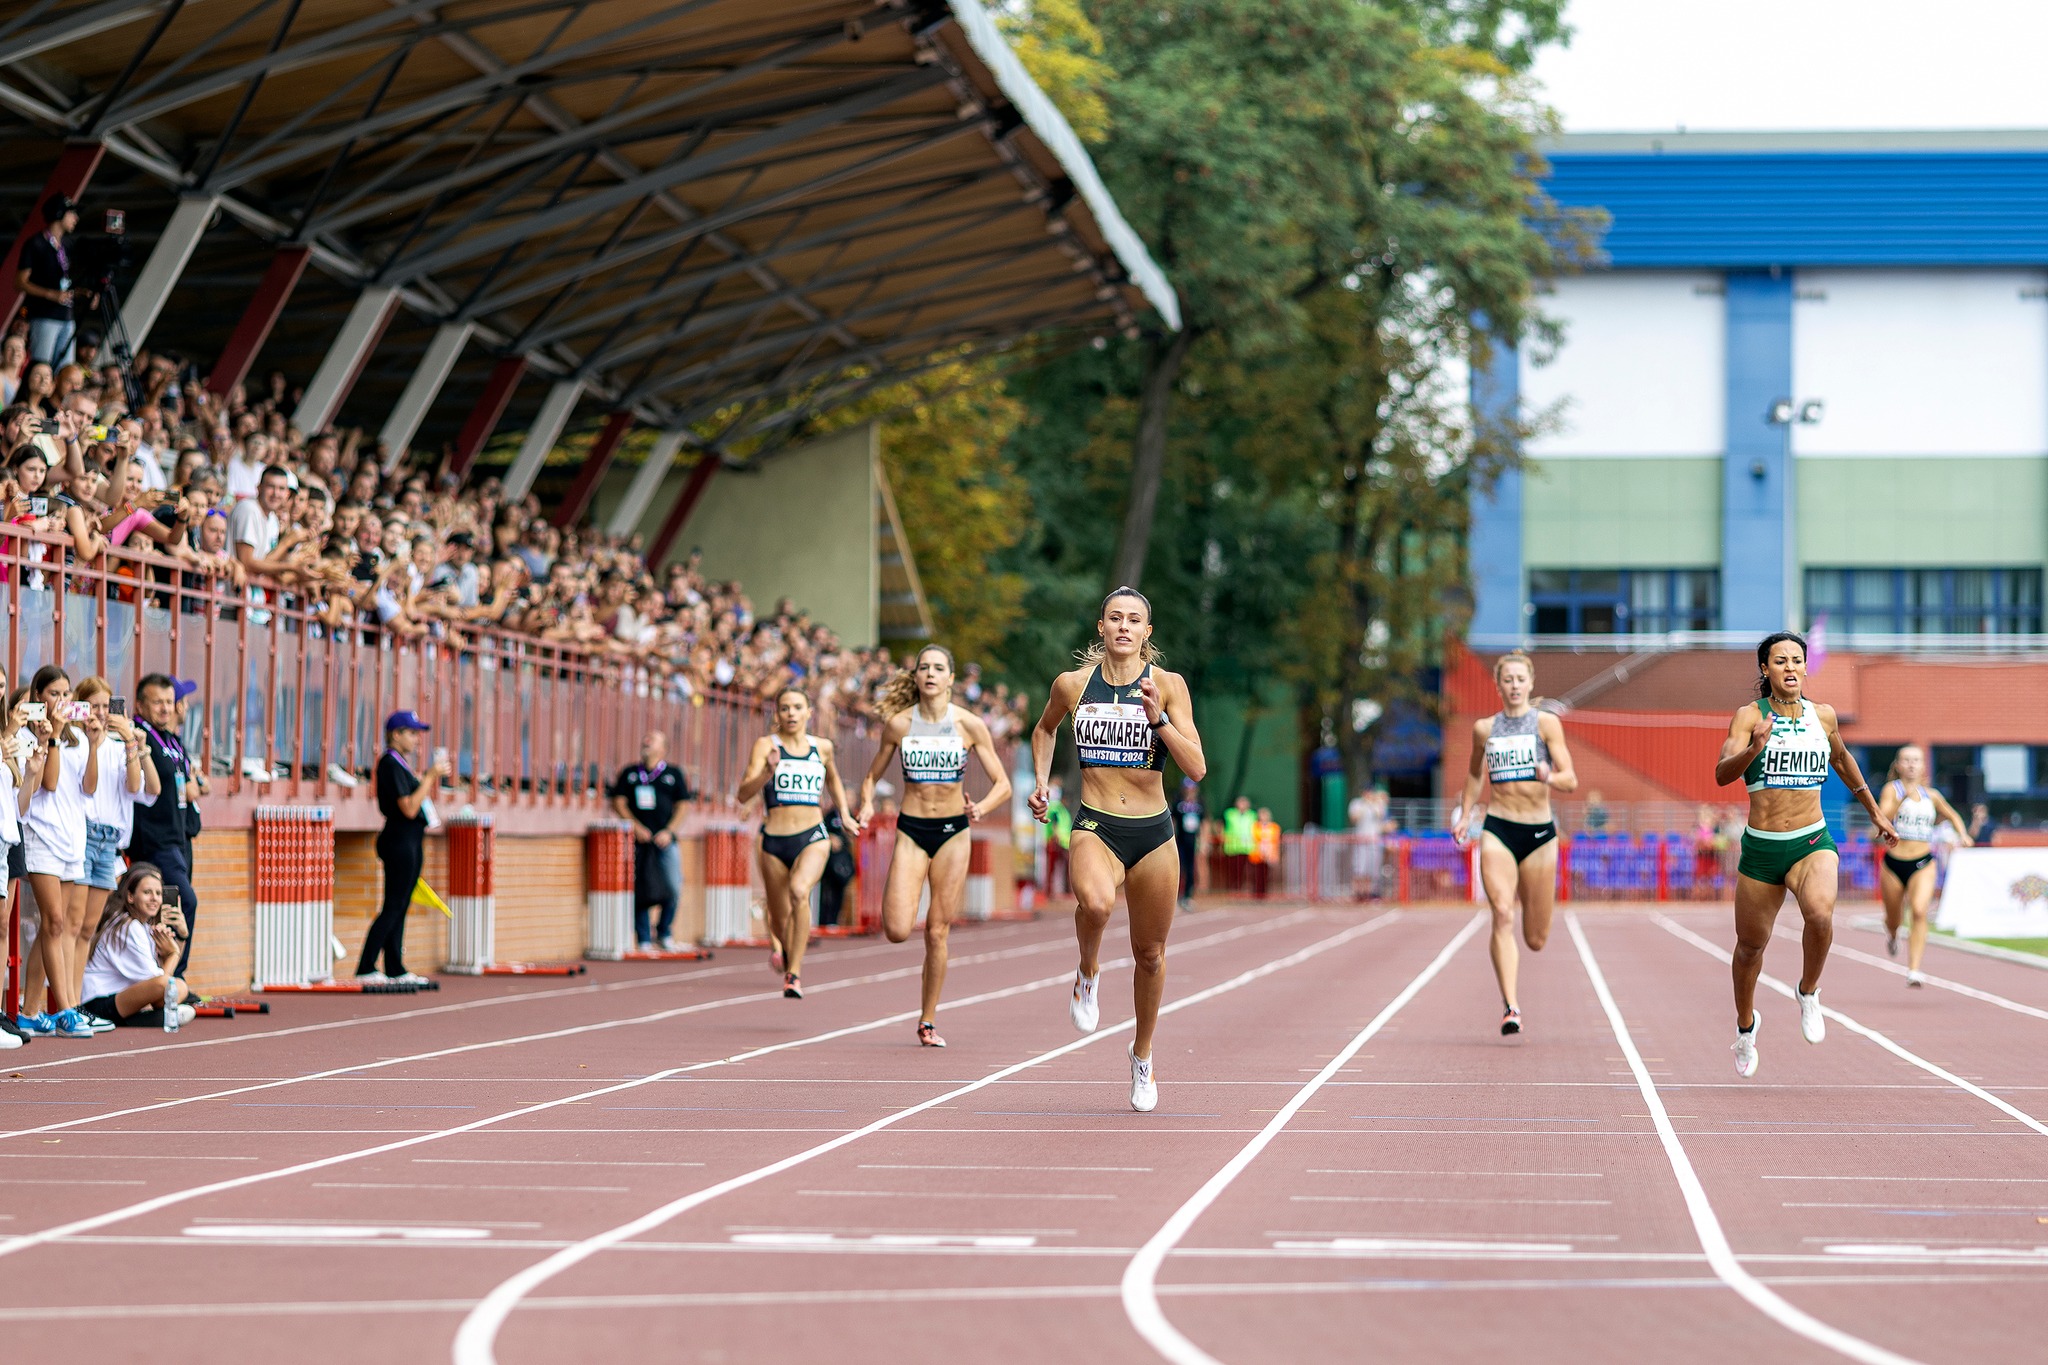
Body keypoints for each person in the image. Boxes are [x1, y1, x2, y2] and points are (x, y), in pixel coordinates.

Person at [1027, 586, 1206, 1113]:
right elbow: (1044, 730)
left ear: (1147, 633)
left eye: (1134, 620)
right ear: (1101, 627)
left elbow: (1196, 768)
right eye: (1114, 618)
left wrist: (1159, 720)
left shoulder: (1168, 686)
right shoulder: (1073, 684)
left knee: (1150, 955)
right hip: (1096, 822)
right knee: (1097, 904)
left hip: (1153, 830)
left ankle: (1142, 1054)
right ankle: (1087, 972)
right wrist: (1042, 782)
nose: (1124, 626)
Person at [1714, 631, 1896, 1078]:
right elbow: (1721, 774)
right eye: (1780, 661)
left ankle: (1809, 991)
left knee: (1820, 913)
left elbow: (1843, 759)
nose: (1790, 668)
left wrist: (1875, 812)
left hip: (1812, 840)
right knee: (1750, 949)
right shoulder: (1747, 716)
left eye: (1797, 660)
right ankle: (1745, 1027)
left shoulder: (1824, 716)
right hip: (1762, 848)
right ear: (1765, 670)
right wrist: (1755, 748)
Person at [856, 645, 1010, 1047]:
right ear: (917, 676)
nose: (930, 674)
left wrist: (982, 807)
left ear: (951, 679)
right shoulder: (899, 724)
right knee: (895, 929)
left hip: (954, 832)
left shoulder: (969, 724)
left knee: (937, 931)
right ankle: (925, 1011)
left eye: (938, 668)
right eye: (924, 667)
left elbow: (1003, 784)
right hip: (911, 829)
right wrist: (867, 803)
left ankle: (927, 1020)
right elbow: (871, 777)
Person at [1451, 651, 1578, 1037]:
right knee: (1502, 914)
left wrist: (1549, 776)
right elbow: (1474, 775)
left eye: (1520, 679)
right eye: (1508, 679)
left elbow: (1571, 779)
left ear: (1531, 682)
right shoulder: (1484, 729)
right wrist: (1466, 813)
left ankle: (1525, 959)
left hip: (1539, 833)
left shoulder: (1546, 724)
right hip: (1498, 829)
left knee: (1536, 938)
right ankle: (1511, 1006)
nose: (1515, 685)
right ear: (1499, 684)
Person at [734, 688, 858, 999]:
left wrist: (843, 813)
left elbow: (833, 780)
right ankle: (788, 954)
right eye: (785, 708)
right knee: (778, 918)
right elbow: (743, 794)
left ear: (808, 713)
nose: (790, 713)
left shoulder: (823, 747)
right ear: (777, 714)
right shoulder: (766, 746)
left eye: (797, 707)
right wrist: (767, 771)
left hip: (812, 836)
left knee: (800, 891)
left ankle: (795, 973)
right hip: (774, 839)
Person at [18, 665, 101, 1038]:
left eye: (67, 694)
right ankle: (66, 1008)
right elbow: (48, 783)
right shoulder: (30, 733)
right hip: (41, 836)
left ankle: (30, 1011)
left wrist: (95, 744)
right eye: (54, 693)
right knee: (52, 922)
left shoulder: (79, 739)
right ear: (38, 696)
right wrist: (49, 736)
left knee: (55, 927)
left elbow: (89, 787)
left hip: (72, 838)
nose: (62, 701)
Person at [73, 678, 157, 988]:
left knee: (88, 928)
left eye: (107, 706)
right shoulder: (78, 741)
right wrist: (94, 741)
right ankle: (64, 1001)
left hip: (109, 839)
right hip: (84, 833)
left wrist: (131, 743)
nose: (101, 713)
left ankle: (75, 1001)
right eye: (94, 705)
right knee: (69, 925)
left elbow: (136, 786)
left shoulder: (119, 744)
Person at [359, 710, 445, 987]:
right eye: (411, 733)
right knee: (394, 905)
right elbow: (408, 807)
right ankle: (366, 965)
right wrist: (430, 777)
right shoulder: (389, 763)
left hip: (410, 840)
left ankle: (394, 966)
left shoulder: (401, 764)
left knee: (402, 904)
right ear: (395, 735)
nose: (417, 739)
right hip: (399, 840)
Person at [1877, 746, 1973, 987]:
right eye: (1906, 760)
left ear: (1923, 766)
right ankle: (1891, 932)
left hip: (1922, 862)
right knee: (1894, 918)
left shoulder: (1932, 795)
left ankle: (1914, 969)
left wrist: (1963, 835)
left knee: (1919, 911)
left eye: (1916, 761)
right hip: (1893, 863)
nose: (1911, 765)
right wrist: (1902, 799)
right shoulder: (1892, 790)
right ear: (1898, 765)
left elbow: (1953, 815)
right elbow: (1882, 815)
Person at [128, 673, 202, 976]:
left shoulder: (171, 739)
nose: (165, 708)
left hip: (179, 838)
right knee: (182, 902)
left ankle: (165, 975)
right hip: (154, 842)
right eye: (157, 702)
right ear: (140, 705)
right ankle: (172, 977)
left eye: (169, 702)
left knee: (168, 909)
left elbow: (190, 785)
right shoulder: (137, 734)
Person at [80, 863, 193, 1029]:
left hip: (119, 999)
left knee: (180, 986)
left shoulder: (143, 926)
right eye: (147, 893)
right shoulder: (128, 926)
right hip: (97, 1004)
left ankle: (147, 1018)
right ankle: (157, 1017)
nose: (155, 898)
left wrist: (180, 937)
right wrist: (173, 953)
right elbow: (161, 983)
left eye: (158, 893)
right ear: (130, 897)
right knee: (169, 985)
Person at [608, 731, 694, 951]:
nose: (646, 741)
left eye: (652, 739)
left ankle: (664, 931)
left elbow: (683, 806)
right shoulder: (630, 773)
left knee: (673, 885)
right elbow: (619, 802)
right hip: (637, 841)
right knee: (639, 888)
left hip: (664, 841)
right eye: (645, 738)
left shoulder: (673, 774)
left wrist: (669, 831)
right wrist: (636, 827)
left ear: (663, 748)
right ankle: (643, 937)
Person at [17, 195, 86, 366]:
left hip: (67, 316)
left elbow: (66, 279)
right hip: (44, 316)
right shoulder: (36, 243)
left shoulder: (67, 245)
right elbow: (19, 282)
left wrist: (81, 293)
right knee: (41, 366)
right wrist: (50, 294)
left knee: (65, 368)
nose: (76, 219)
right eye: (72, 214)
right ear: (59, 213)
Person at [1173, 777, 1203, 911]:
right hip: (1180, 839)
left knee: (1191, 868)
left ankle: (1187, 896)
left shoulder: (1200, 804)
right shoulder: (1178, 803)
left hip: (1193, 840)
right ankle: (1175, 896)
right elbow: (1172, 820)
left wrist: (1204, 840)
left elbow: (1205, 821)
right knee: (1179, 868)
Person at [1221, 795, 1254, 895]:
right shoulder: (1229, 813)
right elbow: (1221, 825)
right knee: (1232, 869)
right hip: (1232, 846)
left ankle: (1241, 887)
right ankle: (1232, 887)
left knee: (1244, 869)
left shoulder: (1252, 815)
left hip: (1246, 847)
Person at [1250, 806, 1281, 899]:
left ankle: (1263, 893)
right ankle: (1256, 892)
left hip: (1269, 854)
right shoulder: (1255, 826)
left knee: (1266, 875)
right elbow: (1254, 838)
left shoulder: (1274, 827)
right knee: (1256, 874)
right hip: (1257, 854)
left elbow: (1276, 840)